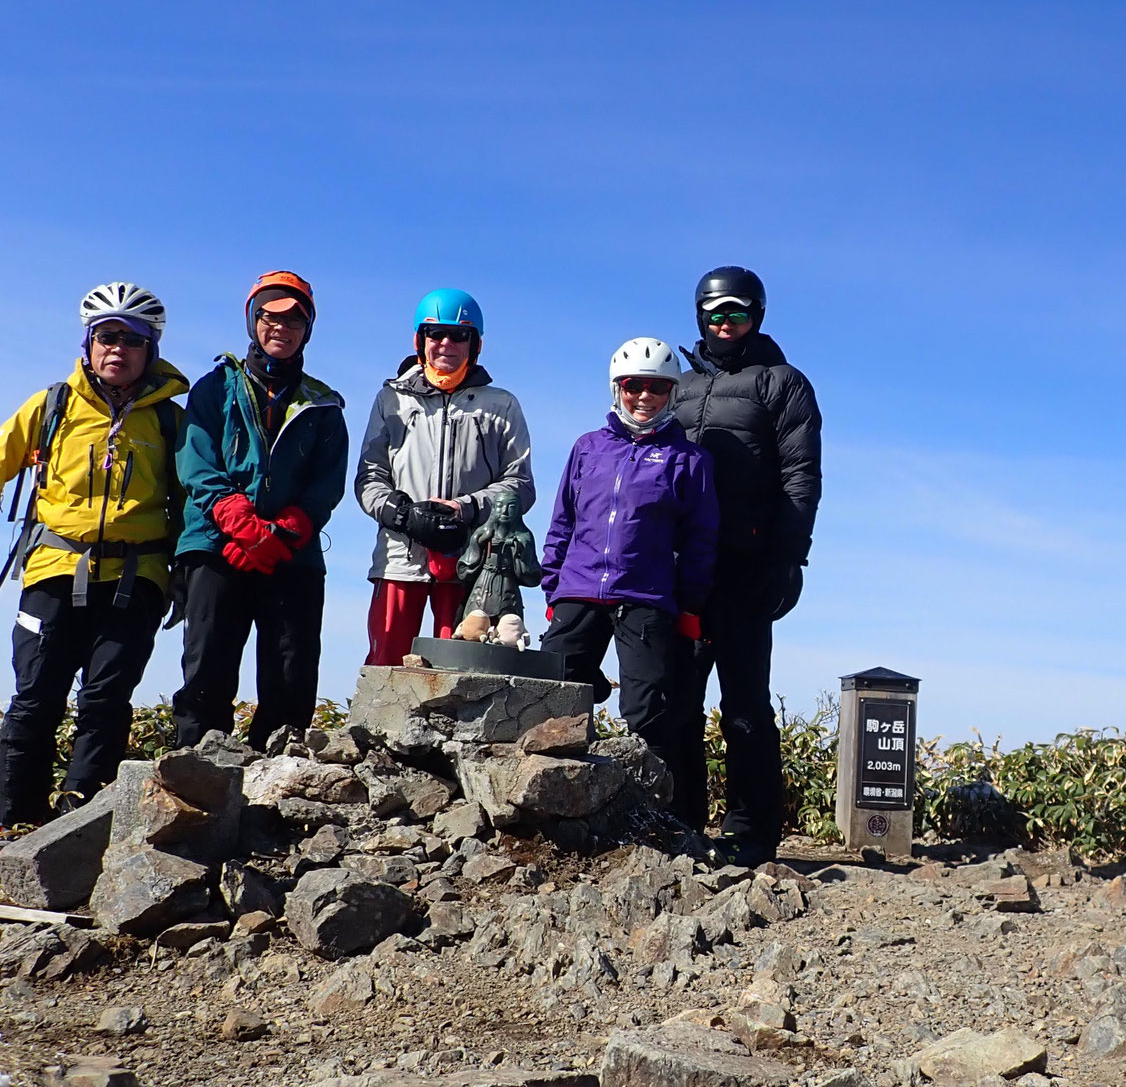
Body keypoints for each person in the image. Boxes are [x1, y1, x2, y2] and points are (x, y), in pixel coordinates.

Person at [0, 283, 188, 837]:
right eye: (106, 336)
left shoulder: (171, 421)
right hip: (54, 571)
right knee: (36, 697)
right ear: (88, 343)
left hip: (138, 577)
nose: (116, 349)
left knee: (105, 700)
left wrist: (187, 577)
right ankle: (15, 822)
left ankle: (82, 823)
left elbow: (192, 500)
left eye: (131, 338)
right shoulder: (52, 405)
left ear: (151, 349)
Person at [667, 267, 822, 866]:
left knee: (745, 706)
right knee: (676, 700)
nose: (724, 325)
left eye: (736, 314)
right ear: (698, 318)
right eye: (713, 315)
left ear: (758, 316)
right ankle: (678, 821)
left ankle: (750, 830)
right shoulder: (674, 388)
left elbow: (799, 478)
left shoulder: (783, 384)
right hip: (680, 573)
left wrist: (788, 558)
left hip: (745, 566)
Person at [170, 272, 349, 751]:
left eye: (294, 319)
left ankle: (279, 782)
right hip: (216, 545)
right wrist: (237, 521)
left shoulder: (324, 403)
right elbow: (195, 459)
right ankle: (198, 767)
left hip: (294, 556)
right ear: (253, 320)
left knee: (291, 674)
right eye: (270, 315)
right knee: (207, 667)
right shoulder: (213, 388)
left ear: (306, 329)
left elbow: (327, 484)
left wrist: (288, 530)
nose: (281, 327)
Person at [540, 339, 718, 821]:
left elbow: (702, 541)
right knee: (555, 694)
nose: (644, 396)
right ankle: (557, 809)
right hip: (578, 590)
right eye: (633, 385)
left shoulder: (689, 460)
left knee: (648, 712)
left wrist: (689, 605)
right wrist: (553, 587)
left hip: (646, 597)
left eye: (657, 387)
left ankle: (660, 819)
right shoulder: (588, 448)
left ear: (672, 392)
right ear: (616, 388)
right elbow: (563, 521)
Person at [355, 287, 534, 662]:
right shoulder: (391, 399)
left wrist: (464, 508)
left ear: (476, 343)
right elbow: (369, 476)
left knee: (460, 664)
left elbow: (520, 483)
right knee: (387, 662)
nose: (447, 343)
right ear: (420, 340)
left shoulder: (500, 405)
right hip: (399, 558)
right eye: (436, 334)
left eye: (460, 335)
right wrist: (402, 515)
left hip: (468, 561)